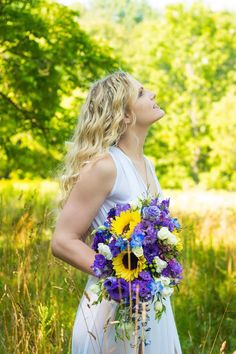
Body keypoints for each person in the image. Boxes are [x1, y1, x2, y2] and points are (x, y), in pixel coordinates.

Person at [51, 70, 182, 353]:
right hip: (112, 310)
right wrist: (122, 275)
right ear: (124, 115)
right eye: (141, 93)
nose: (153, 95)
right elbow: (63, 240)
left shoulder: (148, 165)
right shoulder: (105, 166)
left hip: (151, 304)